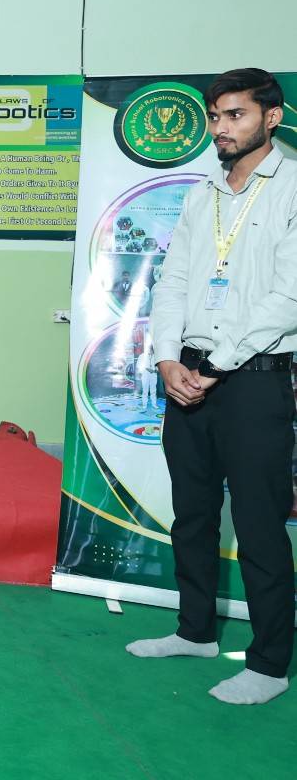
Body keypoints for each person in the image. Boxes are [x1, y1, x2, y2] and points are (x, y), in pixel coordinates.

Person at [134, 68, 296, 705]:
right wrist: (166, 359)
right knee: (193, 515)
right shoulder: (203, 196)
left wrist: (217, 365)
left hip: (254, 382)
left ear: (271, 118)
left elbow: (288, 298)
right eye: (214, 116)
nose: (221, 128)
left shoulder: (291, 188)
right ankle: (195, 631)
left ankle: (268, 665)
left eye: (235, 115)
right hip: (188, 378)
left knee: (258, 526)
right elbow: (173, 281)